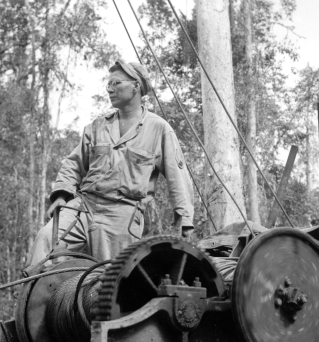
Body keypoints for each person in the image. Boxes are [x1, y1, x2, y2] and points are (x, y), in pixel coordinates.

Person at [26, 60, 194, 270]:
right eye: (108, 84)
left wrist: (184, 218)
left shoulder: (158, 129)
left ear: (136, 86)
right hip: (84, 207)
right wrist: (61, 195)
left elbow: (177, 176)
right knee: (45, 239)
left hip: (122, 214)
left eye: (116, 83)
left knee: (109, 281)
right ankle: (28, 299)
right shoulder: (97, 127)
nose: (109, 89)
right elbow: (73, 164)